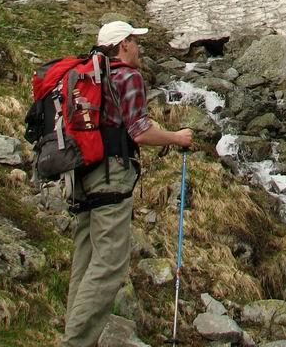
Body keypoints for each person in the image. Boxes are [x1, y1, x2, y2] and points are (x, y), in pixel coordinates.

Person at [61, 20, 193, 347]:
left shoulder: (86, 75)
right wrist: (177, 137)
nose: (138, 48)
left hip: (81, 176)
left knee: (86, 260)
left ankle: (74, 334)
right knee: (109, 265)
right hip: (111, 179)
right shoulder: (127, 76)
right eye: (135, 41)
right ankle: (75, 343)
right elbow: (140, 131)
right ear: (122, 45)